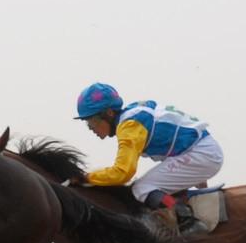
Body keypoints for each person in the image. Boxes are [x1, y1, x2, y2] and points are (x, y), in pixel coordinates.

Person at [73, 82, 224, 230]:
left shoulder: (129, 127)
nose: (91, 128)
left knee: (142, 188)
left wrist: (85, 178)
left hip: (200, 153)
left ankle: (187, 220)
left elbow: (122, 173)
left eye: (92, 121)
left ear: (109, 113)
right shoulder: (134, 113)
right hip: (201, 150)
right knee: (154, 188)